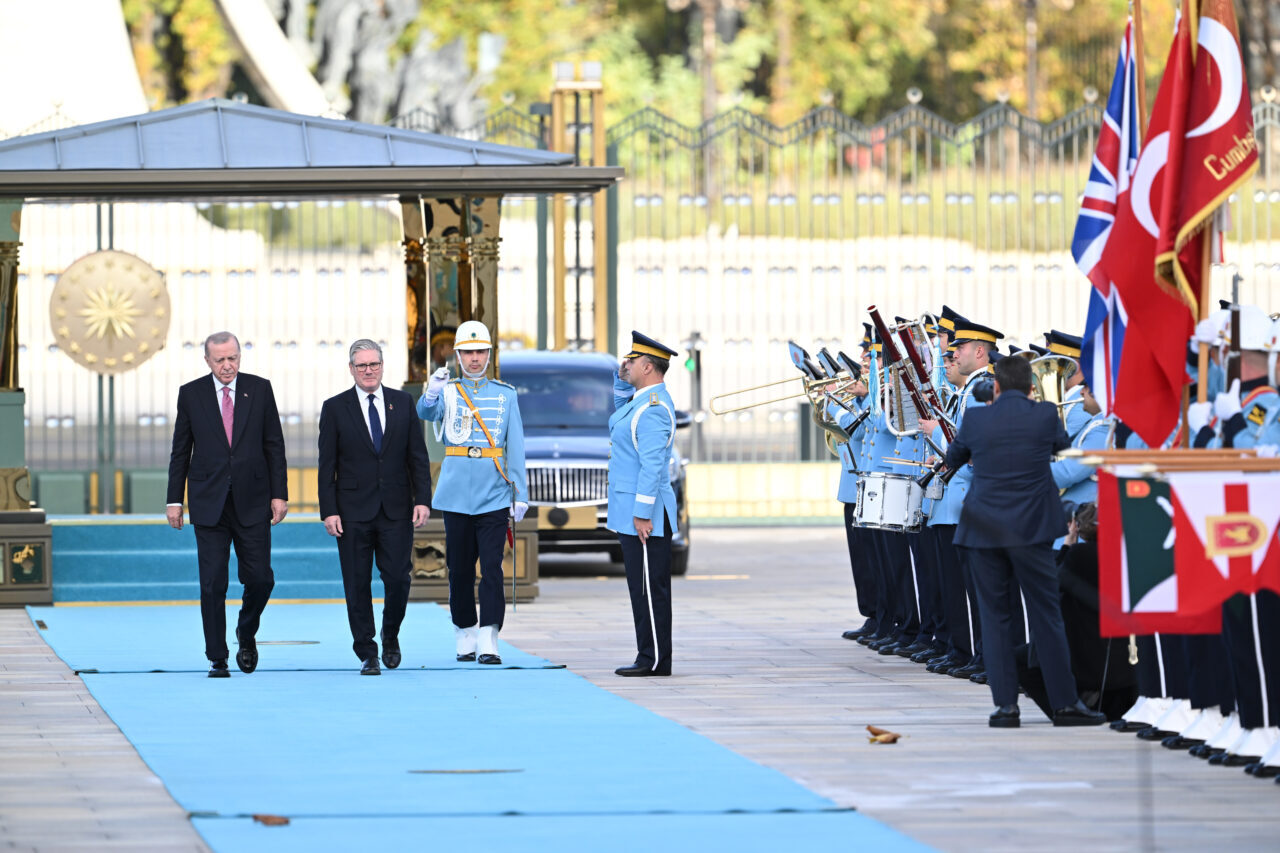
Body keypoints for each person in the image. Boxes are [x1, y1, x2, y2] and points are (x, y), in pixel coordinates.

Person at [943, 353, 1106, 728]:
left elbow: (954, 456)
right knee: (1047, 616)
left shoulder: (976, 416)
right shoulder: (1046, 414)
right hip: (1032, 529)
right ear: (1031, 388)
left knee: (995, 617)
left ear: (995, 386)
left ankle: (1005, 707)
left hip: (983, 529)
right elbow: (1061, 446)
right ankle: (1064, 704)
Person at [166, 331, 288, 678]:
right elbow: (180, 450)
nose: (227, 365)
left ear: (240, 356)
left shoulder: (260, 389)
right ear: (207, 361)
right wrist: (175, 500)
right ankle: (217, 657)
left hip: (253, 500)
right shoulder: (191, 394)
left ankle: (245, 633)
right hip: (208, 502)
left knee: (261, 579)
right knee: (212, 583)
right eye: (219, 359)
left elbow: (274, 444)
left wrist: (280, 494)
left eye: (232, 357)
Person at [416, 320, 527, 665]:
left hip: (493, 490)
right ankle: (464, 631)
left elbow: (517, 445)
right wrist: (432, 391)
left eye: (480, 352)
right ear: (458, 355)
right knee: (459, 568)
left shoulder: (506, 395)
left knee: (491, 567)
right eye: (468, 352)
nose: (474, 359)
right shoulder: (448, 390)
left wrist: (520, 492)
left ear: (489, 354)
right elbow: (425, 412)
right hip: (456, 493)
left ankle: (489, 636)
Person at [318, 339, 432, 675]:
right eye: (362, 365)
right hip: (351, 511)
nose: (369, 371)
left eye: (374, 364)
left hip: (396, 508)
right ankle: (367, 651)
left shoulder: (402, 402)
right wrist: (330, 510)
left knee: (398, 578)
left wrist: (422, 499)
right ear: (351, 369)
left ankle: (391, 635)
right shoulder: (335, 407)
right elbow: (327, 465)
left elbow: (417, 457)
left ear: (383, 365)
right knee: (356, 582)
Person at [609, 331, 680, 677]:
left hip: (645, 515)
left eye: (633, 361)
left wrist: (641, 513)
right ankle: (646, 653)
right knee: (640, 587)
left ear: (648, 366)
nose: (627, 364)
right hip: (631, 512)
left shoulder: (653, 409)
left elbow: (653, 465)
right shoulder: (640, 401)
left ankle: (654, 659)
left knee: (651, 589)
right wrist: (621, 377)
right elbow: (620, 414)